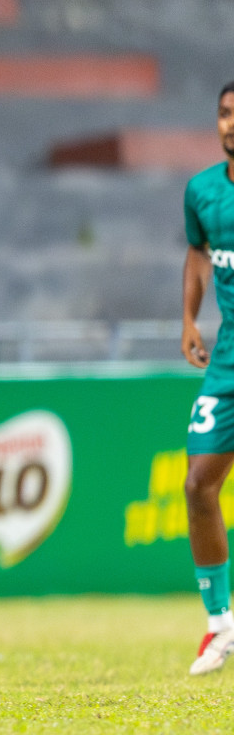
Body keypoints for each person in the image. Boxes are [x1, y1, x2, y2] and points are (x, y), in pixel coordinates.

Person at [182, 80, 234, 675]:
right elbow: (198, 255)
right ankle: (220, 627)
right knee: (199, 485)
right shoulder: (201, 191)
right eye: (223, 114)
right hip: (227, 360)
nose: (229, 123)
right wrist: (189, 319)